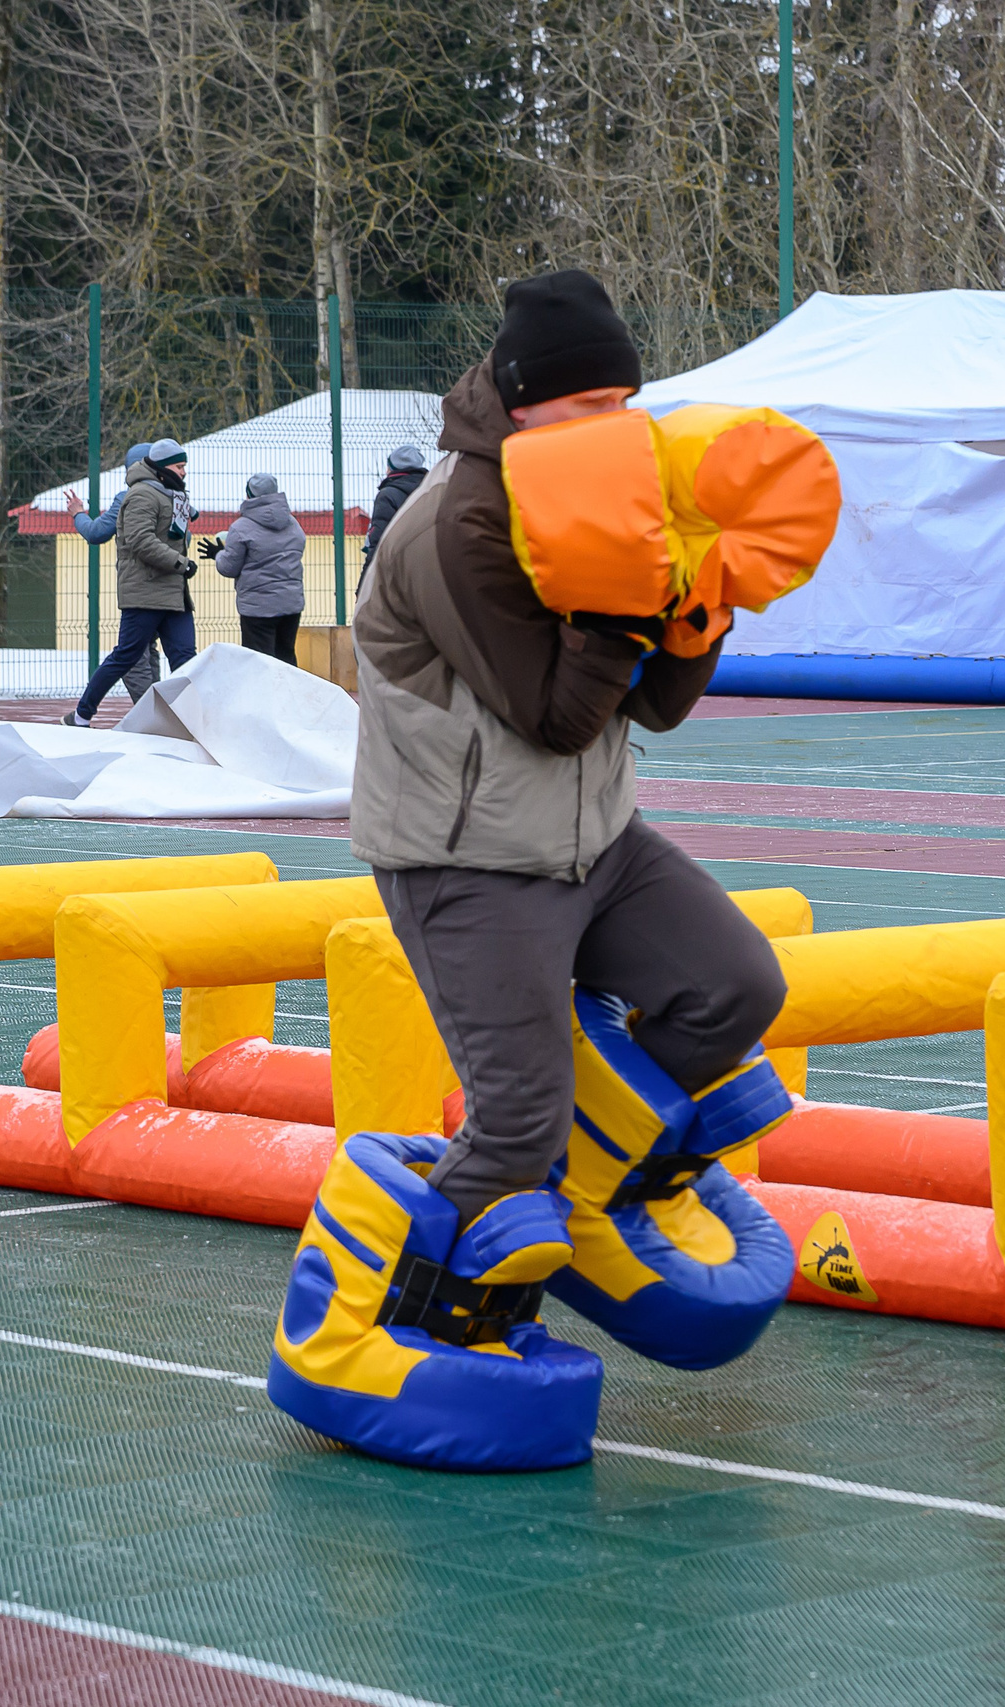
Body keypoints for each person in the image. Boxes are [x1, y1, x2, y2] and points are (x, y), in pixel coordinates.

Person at [349, 270, 784, 1223]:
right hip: (470, 859)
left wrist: (703, 609)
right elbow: (554, 717)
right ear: (522, 399)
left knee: (735, 988)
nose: (617, 424)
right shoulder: (455, 523)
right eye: (592, 403)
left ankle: (591, 1180)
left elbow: (658, 709)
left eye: (627, 403)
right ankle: (405, 1313)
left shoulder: (609, 495)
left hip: (596, 836)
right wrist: (617, 613)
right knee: (516, 1122)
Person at [66, 439, 196, 726]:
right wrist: (79, 516)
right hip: (146, 590)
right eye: (179, 466)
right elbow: (116, 536)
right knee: (131, 656)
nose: (184, 472)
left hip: (173, 591)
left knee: (184, 658)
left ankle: (183, 719)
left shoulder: (174, 497)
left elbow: (177, 540)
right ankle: (87, 713)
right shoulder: (135, 497)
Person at [65, 442, 163, 703]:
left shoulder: (128, 497)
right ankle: (166, 710)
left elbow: (96, 532)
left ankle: (149, 711)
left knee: (132, 656)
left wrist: (77, 514)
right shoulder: (176, 496)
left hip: (139, 588)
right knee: (163, 652)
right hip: (173, 589)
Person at [200, 472, 305, 664]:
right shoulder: (292, 523)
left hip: (258, 607)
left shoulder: (241, 527)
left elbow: (229, 568)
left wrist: (218, 554)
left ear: (248, 494)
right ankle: (289, 694)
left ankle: (262, 695)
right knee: (286, 657)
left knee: (258, 662)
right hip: (291, 603)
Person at [360, 442, 426, 565]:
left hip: (397, 570)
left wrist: (365, 580)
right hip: (428, 569)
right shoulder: (432, 492)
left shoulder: (388, 495)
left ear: (392, 468)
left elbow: (377, 542)